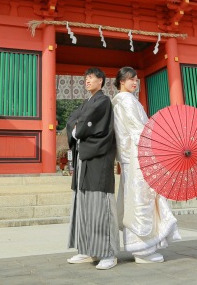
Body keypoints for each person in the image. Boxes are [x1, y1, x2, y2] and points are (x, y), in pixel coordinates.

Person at [112, 66, 181, 263]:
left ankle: (142, 246)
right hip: (138, 155)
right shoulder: (126, 101)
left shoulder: (123, 101)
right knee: (141, 200)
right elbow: (139, 129)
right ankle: (143, 249)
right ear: (121, 82)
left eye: (136, 79)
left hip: (133, 155)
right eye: (130, 79)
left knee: (136, 199)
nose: (135, 82)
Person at [66, 67, 119, 270]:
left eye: (92, 78)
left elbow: (87, 126)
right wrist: (77, 130)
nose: (87, 81)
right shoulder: (87, 102)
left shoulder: (103, 102)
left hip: (98, 158)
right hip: (85, 160)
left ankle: (108, 253)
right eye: (86, 78)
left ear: (101, 81)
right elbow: (72, 120)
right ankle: (87, 249)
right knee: (84, 205)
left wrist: (79, 131)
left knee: (100, 207)